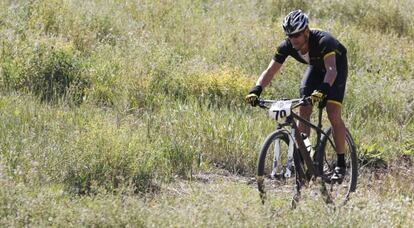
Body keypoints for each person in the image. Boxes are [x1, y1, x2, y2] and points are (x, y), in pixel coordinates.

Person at [245, 10, 348, 182]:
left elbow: (331, 70)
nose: (293, 40)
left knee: (333, 112)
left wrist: (322, 89)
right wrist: (256, 89)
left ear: (306, 31)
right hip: (315, 67)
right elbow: (270, 71)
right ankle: (305, 156)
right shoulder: (287, 46)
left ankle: (341, 163)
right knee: (304, 107)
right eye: (290, 36)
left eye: (297, 35)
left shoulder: (324, 41)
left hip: (336, 66)